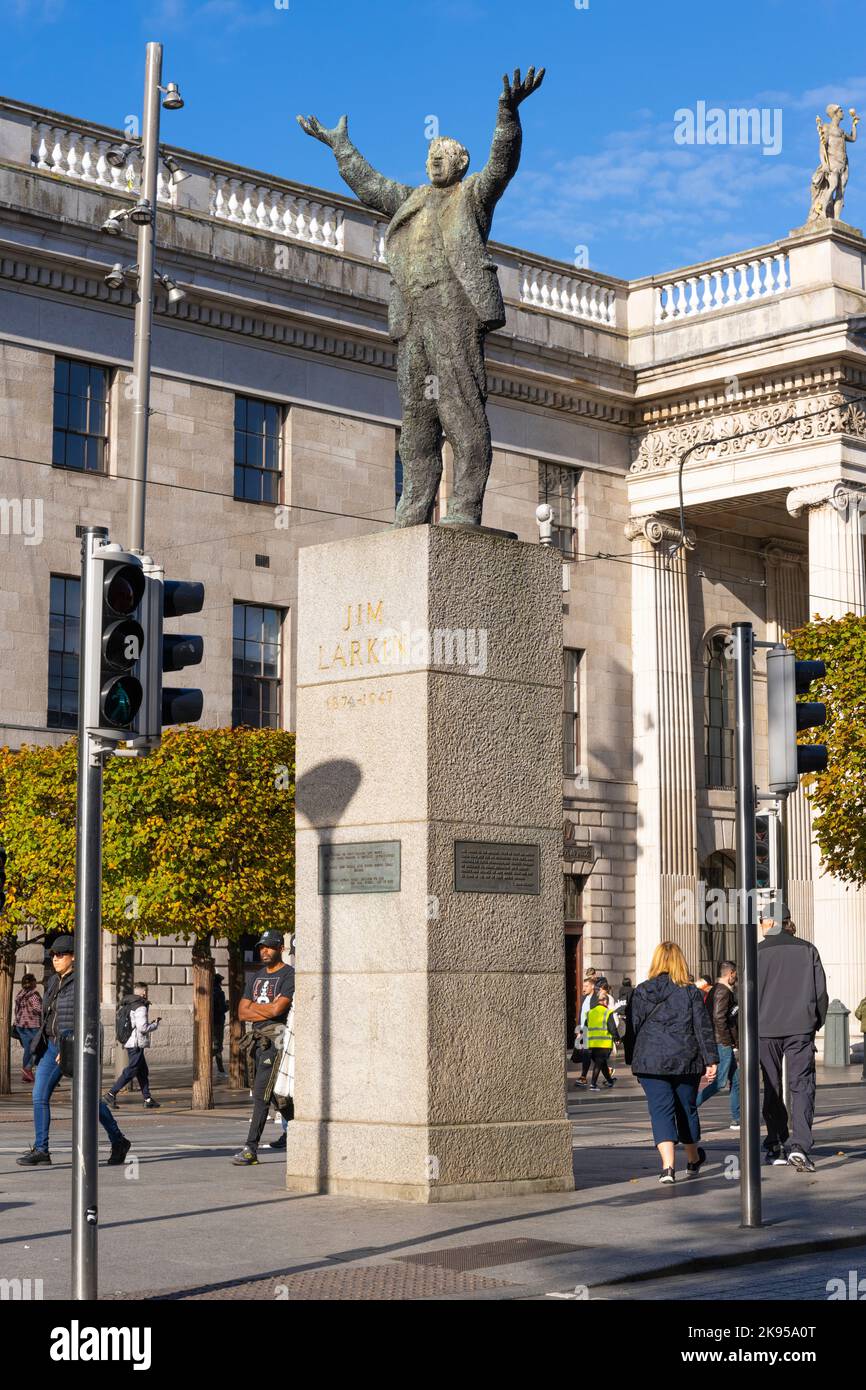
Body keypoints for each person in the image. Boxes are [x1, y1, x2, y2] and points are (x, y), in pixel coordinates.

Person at [297, 67, 545, 527]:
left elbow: (502, 164)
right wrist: (340, 147)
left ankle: (465, 508)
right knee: (416, 420)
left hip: (454, 314)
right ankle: (413, 509)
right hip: (413, 317)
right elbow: (369, 185)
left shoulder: (471, 196)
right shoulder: (411, 199)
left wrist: (507, 115)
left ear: (459, 165)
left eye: (442, 156)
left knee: (461, 409)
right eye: (430, 154)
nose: (433, 161)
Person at [16, 936, 130, 1168]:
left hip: (74, 1047)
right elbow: (48, 1015)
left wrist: (72, 1046)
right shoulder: (53, 982)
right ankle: (41, 1149)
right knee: (39, 1096)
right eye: (53, 955)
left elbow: (88, 1018)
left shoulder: (83, 982)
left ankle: (118, 1140)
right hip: (51, 1046)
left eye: (61, 955)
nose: (55, 959)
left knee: (87, 1100)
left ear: (74, 957)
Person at [624, 941, 718, 1184]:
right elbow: (702, 1028)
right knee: (686, 1109)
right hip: (684, 1060)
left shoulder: (641, 991)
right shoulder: (691, 993)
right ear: (680, 962)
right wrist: (711, 1060)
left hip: (650, 1061)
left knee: (660, 1110)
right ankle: (693, 1158)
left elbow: (631, 1030)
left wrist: (632, 1058)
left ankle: (667, 1168)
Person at [758, 905, 828, 1172]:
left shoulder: (755, 952)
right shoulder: (808, 949)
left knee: (772, 1086)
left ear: (768, 923)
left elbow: (745, 995)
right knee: (802, 1086)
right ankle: (799, 1145)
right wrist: (815, 1021)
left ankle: (776, 1141)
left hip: (765, 1028)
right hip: (800, 1026)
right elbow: (821, 993)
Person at [231, 930, 294, 1166]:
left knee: (261, 1094)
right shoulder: (256, 977)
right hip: (257, 1041)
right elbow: (241, 1011)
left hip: (276, 1042)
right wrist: (265, 1009)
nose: (264, 951)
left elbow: (279, 1011)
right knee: (276, 1095)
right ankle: (298, 1129)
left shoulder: (289, 975)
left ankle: (250, 1149)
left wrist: (256, 1008)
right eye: (261, 947)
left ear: (281, 949)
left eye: (269, 946)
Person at [696, 961, 740, 1130]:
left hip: (719, 1041)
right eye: (735, 975)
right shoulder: (723, 991)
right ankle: (691, 1107)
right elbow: (719, 1018)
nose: (735, 979)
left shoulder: (716, 989)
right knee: (720, 1082)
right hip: (721, 1042)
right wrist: (728, 1042)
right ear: (731, 974)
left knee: (736, 1080)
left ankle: (737, 1118)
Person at [104, 982, 160, 1109]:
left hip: (130, 1041)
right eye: (147, 991)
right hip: (136, 1043)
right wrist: (155, 1024)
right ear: (144, 993)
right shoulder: (140, 1007)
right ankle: (110, 1094)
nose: (147, 994)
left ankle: (147, 1098)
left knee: (142, 1071)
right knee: (131, 1070)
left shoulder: (129, 1004)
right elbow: (143, 1027)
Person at [586, 984, 618, 1090]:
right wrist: (617, 1038)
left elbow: (585, 1027)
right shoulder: (607, 1012)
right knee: (599, 1065)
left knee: (602, 1064)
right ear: (605, 1001)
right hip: (603, 1044)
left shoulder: (590, 1013)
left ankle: (609, 1081)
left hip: (592, 1044)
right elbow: (612, 1028)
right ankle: (593, 1084)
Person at [14, 972, 42, 1083]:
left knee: (28, 1049)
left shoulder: (20, 994)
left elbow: (17, 1010)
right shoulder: (34, 995)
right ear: (32, 983)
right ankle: (28, 1069)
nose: (36, 982)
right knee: (37, 1049)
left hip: (21, 1026)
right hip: (33, 1026)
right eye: (34, 980)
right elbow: (39, 1009)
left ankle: (26, 1075)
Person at [573, 978, 596, 1087]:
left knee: (587, 1053)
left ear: (592, 986)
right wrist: (578, 1030)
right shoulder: (584, 998)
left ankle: (583, 1077)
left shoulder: (595, 1000)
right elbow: (580, 1015)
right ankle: (608, 1076)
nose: (584, 988)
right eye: (583, 986)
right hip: (582, 1030)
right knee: (595, 1056)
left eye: (586, 986)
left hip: (590, 1031)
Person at [212, 973, 228, 1074]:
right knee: (218, 1046)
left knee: (216, 1045)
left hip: (209, 1022)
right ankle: (220, 1068)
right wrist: (228, 1005)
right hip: (218, 1022)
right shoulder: (219, 993)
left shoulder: (209, 992)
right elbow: (221, 1009)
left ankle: (220, 1068)